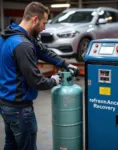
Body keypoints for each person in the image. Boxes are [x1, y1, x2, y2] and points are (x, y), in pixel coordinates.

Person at [0, 2, 79, 150]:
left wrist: (65, 64)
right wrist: (54, 80)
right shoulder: (22, 45)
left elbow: (42, 51)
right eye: (43, 23)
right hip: (20, 110)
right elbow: (36, 81)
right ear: (35, 19)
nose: (45, 28)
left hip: (5, 105)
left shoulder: (10, 36)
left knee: (10, 145)